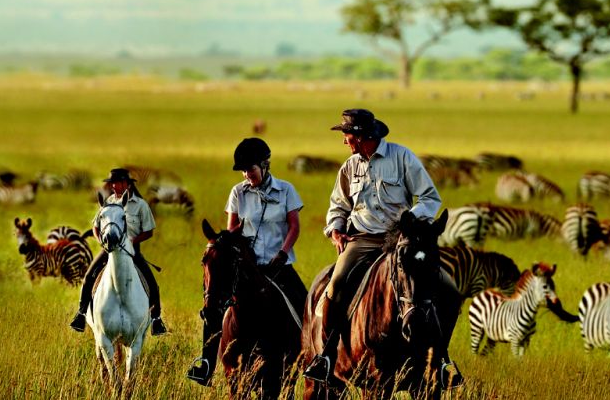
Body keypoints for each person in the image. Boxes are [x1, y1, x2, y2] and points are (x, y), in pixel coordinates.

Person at [302, 109, 460, 385]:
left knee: (446, 287)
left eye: (347, 135)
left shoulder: (402, 157)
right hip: (362, 240)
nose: (344, 141)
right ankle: (326, 357)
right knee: (336, 283)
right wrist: (336, 229)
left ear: (363, 136)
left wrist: (410, 222)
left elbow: (429, 197)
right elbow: (338, 205)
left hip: (400, 239)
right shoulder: (349, 166)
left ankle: (442, 360)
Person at [186, 137, 308, 386]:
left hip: (278, 266)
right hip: (246, 267)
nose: (246, 175)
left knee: (305, 305)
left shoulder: (286, 190)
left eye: (250, 169)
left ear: (265, 165)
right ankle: (206, 363)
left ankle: (312, 357)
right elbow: (232, 229)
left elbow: (294, 227)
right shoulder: (237, 192)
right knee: (215, 307)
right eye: (243, 171)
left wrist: (283, 253)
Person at [70, 168, 166, 335]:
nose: (113, 186)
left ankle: (156, 320)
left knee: (152, 283)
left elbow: (149, 231)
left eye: (116, 183)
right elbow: (95, 226)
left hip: (132, 250)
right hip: (109, 249)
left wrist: (132, 241)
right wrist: (100, 240)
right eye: (111, 183)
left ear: (127, 184)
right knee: (88, 276)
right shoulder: (109, 202)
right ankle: (81, 313)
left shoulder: (140, 205)